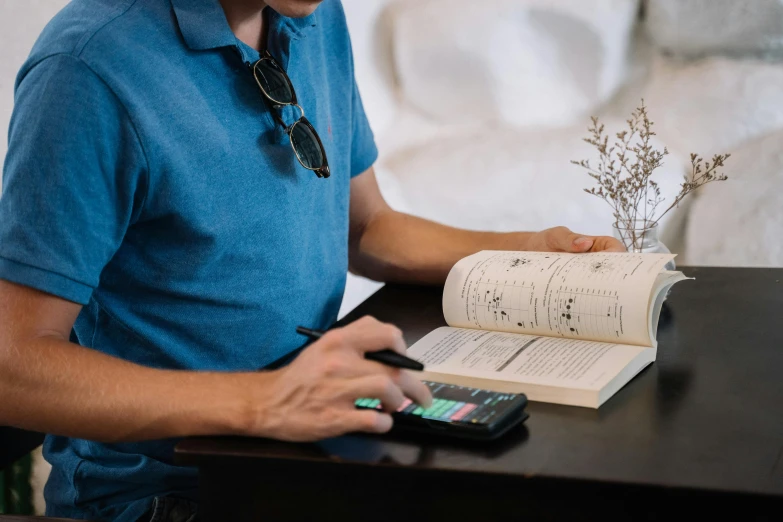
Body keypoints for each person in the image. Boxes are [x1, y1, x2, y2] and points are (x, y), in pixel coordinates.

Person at [0, 0, 625, 520]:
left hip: (296, 449)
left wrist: (527, 252)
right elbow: (11, 365)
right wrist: (265, 403)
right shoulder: (86, 71)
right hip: (167, 493)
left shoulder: (310, 13)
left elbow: (369, 227)